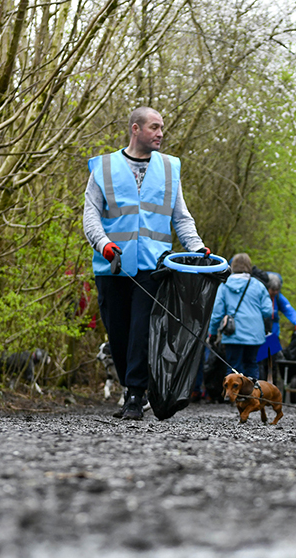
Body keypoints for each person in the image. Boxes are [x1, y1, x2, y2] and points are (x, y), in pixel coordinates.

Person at [83, 107, 207, 421]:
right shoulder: (104, 168)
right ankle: (130, 388)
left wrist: (197, 247)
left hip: (153, 267)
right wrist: (104, 245)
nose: (161, 133)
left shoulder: (169, 169)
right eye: (154, 127)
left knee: (141, 330)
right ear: (135, 129)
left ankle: (136, 396)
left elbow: (181, 218)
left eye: (162, 127)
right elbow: (90, 216)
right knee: (118, 333)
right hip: (111, 267)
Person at [209, 253, 273, 380]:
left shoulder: (225, 285)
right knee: (251, 364)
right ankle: (251, 396)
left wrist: (212, 332)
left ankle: (234, 397)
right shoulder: (258, 285)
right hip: (255, 334)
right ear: (249, 266)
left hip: (233, 333)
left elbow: (217, 313)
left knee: (233, 367)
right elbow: (267, 311)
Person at [255, 272, 296, 381]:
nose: (275, 293)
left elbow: (289, 310)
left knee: (272, 364)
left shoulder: (278, 298)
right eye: (273, 290)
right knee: (260, 363)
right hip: (259, 334)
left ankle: (272, 387)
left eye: (277, 290)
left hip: (273, 336)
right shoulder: (259, 296)